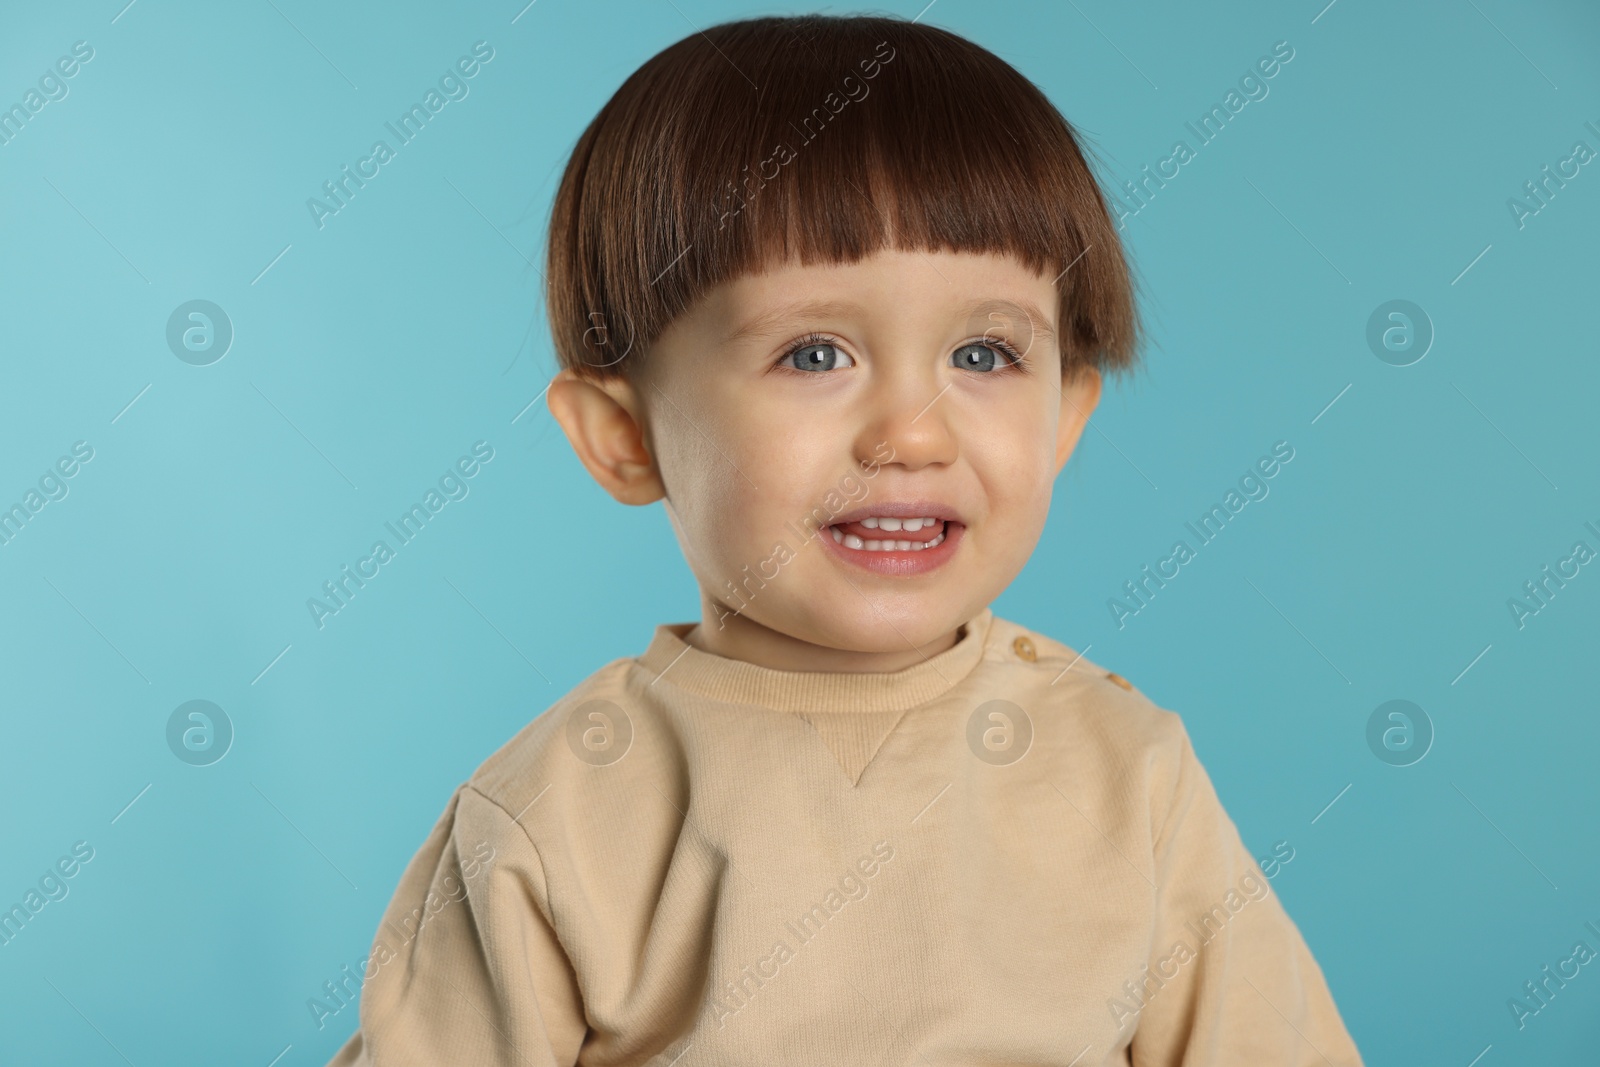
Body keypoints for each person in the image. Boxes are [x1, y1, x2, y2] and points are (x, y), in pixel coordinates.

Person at [326, 13, 1364, 1065]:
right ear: (625, 438)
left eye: (985, 351)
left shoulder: (1127, 775)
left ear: (1065, 420)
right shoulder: (554, 818)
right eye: (815, 354)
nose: (911, 430)